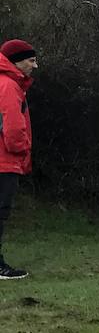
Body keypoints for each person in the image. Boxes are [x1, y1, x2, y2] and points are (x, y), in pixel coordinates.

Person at [0, 39, 36, 280]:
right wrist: (23, 150)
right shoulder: (9, 85)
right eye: (31, 60)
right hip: (4, 161)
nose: (35, 65)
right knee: (0, 211)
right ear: (17, 61)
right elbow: (12, 128)